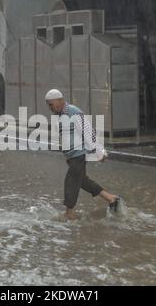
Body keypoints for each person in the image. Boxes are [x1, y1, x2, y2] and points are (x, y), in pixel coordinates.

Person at [45, 89, 123, 220]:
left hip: (78, 154)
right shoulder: (60, 114)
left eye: (51, 104)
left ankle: (69, 213)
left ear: (60, 100)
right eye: (48, 105)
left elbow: (88, 132)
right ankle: (111, 198)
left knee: (70, 181)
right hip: (71, 155)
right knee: (81, 181)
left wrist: (100, 151)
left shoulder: (73, 111)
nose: (49, 107)